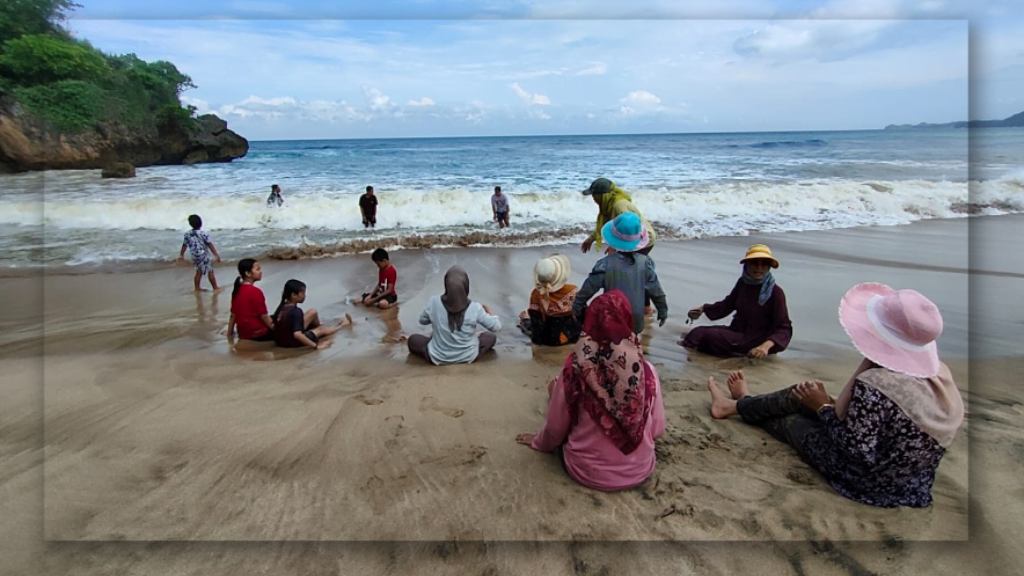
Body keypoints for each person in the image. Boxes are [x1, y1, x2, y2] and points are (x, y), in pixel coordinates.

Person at [706, 283, 964, 508]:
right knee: (803, 395)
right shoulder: (941, 379)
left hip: (865, 483)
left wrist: (821, 408)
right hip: (911, 487)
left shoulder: (875, 384)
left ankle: (735, 406)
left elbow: (856, 450)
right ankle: (743, 403)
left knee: (790, 421)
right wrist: (823, 404)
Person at [516, 290, 666, 491]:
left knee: (565, 405)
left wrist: (538, 442)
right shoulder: (647, 371)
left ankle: (557, 397)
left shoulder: (576, 368)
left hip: (586, 471)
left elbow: (554, 431)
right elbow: (657, 430)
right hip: (639, 470)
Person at [681, 244, 793, 358]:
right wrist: (704, 308)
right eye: (754, 263)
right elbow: (728, 304)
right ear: (746, 265)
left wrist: (764, 347)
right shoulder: (743, 283)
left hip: (757, 339)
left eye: (764, 264)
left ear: (769, 267)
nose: (759, 268)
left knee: (711, 336)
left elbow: (784, 328)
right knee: (695, 334)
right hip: (737, 332)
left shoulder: (775, 292)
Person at [573, 212, 668, 334]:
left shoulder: (605, 265)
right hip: (636, 320)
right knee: (631, 340)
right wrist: (662, 310)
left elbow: (588, 289)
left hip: (613, 318)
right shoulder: (645, 263)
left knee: (611, 343)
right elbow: (656, 291)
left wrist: (577, 307)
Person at [407, 265, 501, 365]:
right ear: (466, 286)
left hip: (437, 356)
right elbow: (496, 326)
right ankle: (470, 339)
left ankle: (437, 339)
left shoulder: (434, 302)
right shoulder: (475, 307)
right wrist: (488, 310)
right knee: (490, 337)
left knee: (413, 340)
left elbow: (422, 320)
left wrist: (436, 316)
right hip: (469, 356)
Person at [580, 177, 656, 256]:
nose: (593, 198)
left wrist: (613, 247)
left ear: (602, 196)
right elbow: (605, 226)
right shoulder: (608, 205)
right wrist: (590, 239)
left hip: (642, 240)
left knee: (626, 265)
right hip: (632, 239)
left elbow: (628, 228)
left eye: (594, 195)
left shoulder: (618, 206)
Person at [518, 254, 581, 346]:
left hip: (549, 340)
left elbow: (537, 324)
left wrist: (536, 343)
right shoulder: (572, 290)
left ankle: (525, 319)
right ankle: (525, 319)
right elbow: (581, 314)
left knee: (529, 324)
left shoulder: (536, 294)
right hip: (572, 336)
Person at [272, 279, 351, 350]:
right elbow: (297, 334)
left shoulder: (282, 307)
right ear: (293, 295)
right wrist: (316, 346)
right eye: (302, 293)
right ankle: (342, 325)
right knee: (321, 329)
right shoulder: (296, 311)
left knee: (312, 312)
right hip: (292, 342)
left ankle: (319, 329)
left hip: (280, 341)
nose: (305, 295)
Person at [226, 258, 273, 341]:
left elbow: (233, 315)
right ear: (248, 273)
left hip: (243, 334)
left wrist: (229, 333)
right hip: (259, 333)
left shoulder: (236, 290)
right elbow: (264, 316)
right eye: (257, 269)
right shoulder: (255, 292)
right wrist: (277, 329)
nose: (261, 271)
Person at [177, 214, 222, 292]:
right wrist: (216, 255)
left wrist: (181, 254)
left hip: (194, 255)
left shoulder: (187, 234)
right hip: (204, 255)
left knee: (198, 271)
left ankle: (197, 287)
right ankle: (215, 287)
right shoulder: (203, 233)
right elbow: (209, 244)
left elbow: (184, 245)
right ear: (201, 223)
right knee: (210, 270)